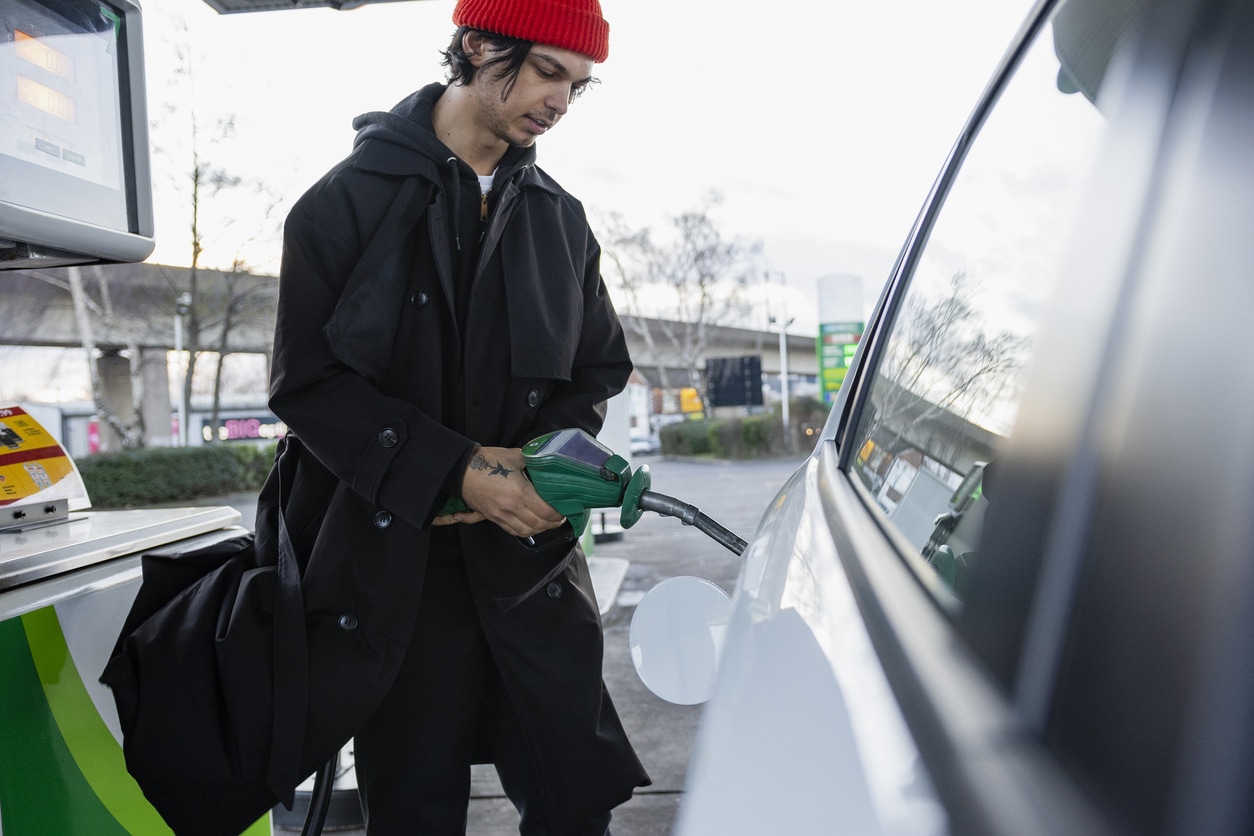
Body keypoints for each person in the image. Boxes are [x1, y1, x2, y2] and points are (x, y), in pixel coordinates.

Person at [266, 0, 650, 831]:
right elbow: (308, 387)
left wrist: (551, 462)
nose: (559, 100)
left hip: (532, 560)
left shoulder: (561, 219)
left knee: (576, 795)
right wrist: (461, 471)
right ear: (478, 46)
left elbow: (597, 367)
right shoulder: (342, 206)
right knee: (413, 808)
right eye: (549, 71)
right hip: (399, 571)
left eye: (579, 86)